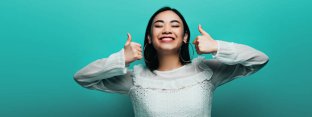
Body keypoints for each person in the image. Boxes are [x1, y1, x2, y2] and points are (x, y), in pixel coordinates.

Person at [73, 6, 269, 117]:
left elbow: (259, 60)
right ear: (149, 38)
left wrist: (217, 46)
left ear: (185, 37)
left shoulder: (206, 72)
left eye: (175, 25)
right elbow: (82, 77)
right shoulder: (136, 79)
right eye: (159, 25)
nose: (167, 29)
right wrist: (121, 59)